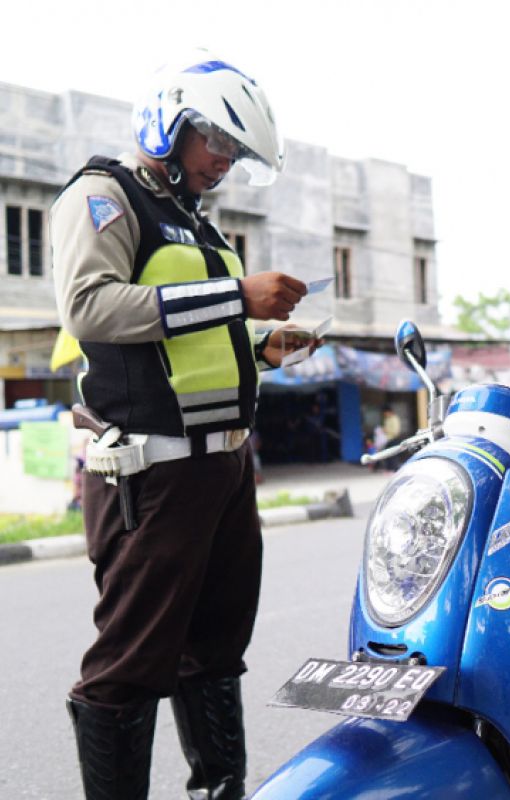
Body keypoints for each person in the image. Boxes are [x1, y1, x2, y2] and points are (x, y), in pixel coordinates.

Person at [51, 51, 310, 799]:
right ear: (172, 123)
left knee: (217, 652)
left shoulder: (197, 226)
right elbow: (91, 308)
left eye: (235, 153)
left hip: (223, 469)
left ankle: (219, 791)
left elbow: (195, 347)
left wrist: (266, 344)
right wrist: (237, 298)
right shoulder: (106, 197)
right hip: (152, 472)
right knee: (128, 667)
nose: (223, 163)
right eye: (217, 144)